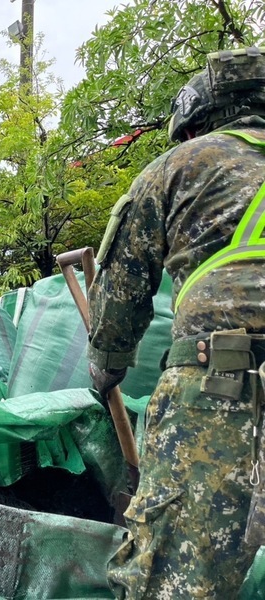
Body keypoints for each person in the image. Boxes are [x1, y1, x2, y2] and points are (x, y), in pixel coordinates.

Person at [87, 46, 265, 599]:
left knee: (170, 584)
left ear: (198, 121)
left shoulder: (182, 166)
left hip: (223, 394)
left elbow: (119, 301)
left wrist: (107, 371)